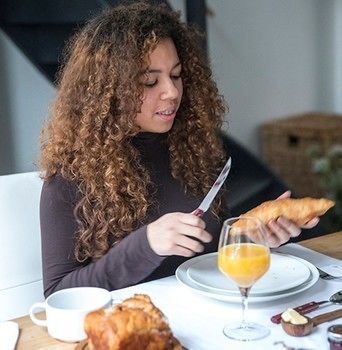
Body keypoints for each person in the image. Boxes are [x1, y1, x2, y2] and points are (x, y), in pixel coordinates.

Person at [39, 2, 318, 297]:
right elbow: (58, 293)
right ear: (107, 92)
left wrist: (252, 239)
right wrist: (144, 245)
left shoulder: (193, 151)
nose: (171, 92)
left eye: (175, 75)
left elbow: (203, 254)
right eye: (149, 81)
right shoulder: (69, 178)